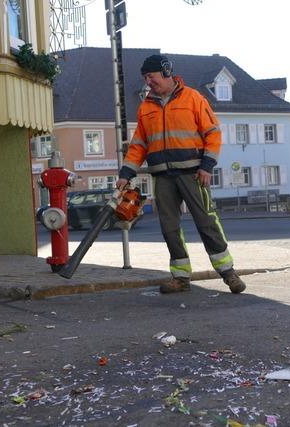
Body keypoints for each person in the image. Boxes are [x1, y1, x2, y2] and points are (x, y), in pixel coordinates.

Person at [115, 54, 246, 294]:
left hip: (193, 174)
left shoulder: (193, 98)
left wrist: (207, 166)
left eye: (151, 76)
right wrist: (126, 172)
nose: (148, 82)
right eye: (145, 78)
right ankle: (181, 277)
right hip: (163, 177)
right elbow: (139, 145)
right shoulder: (146, 107)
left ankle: (229, 274)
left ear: (166, 72)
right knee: (169, 227)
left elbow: (213, 134)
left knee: (206, 222)